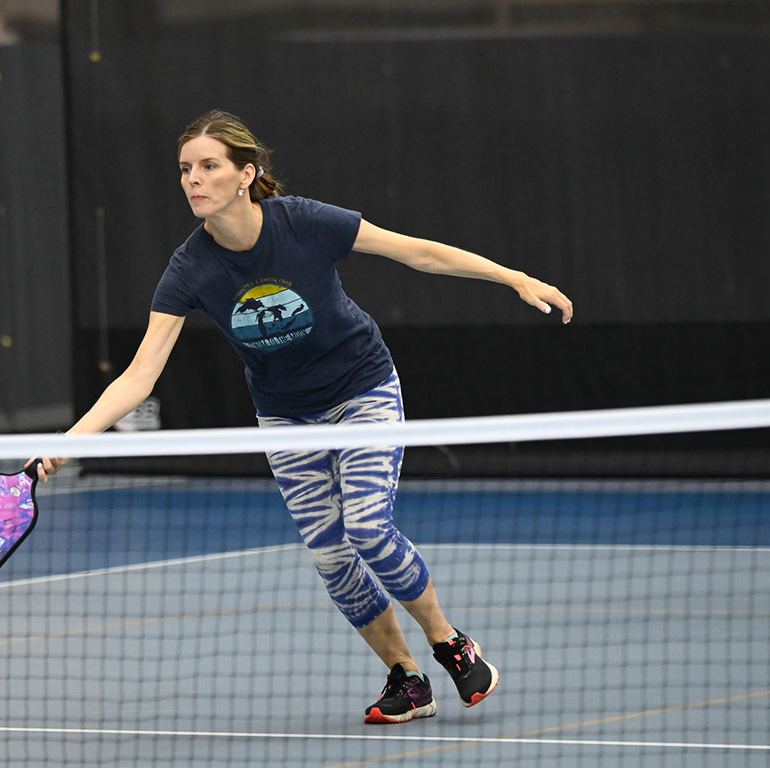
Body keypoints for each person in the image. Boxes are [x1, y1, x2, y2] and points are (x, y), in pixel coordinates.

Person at [30, 109, 573, 723]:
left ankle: (450, 643)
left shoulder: (305, 223)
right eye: (185, 169)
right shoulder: (189, 268)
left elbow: (416, 253)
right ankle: (407, 679)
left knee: (368, 526)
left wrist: (513, 277)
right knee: (331, 556)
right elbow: (139, 374)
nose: (193, 180)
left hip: (362, 389)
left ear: (246, 174)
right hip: (287, 417)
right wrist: (72, 441)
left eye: (209, 166)